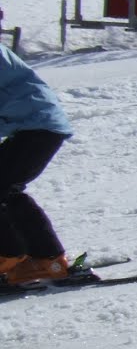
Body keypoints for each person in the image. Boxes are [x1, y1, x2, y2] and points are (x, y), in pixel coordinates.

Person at [0, 46, 75, 286]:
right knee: (8, 190)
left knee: (5, 187)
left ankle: (11, 255)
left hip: (39, 126)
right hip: (33, 125)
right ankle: (45, 258)